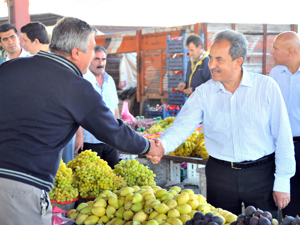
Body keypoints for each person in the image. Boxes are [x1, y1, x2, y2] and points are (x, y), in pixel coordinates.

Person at [0, 17, 164, 225]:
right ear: (77, 53)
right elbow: (113, 131)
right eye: (91, 49)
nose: (93, 55)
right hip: (20, 189)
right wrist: (149, 146)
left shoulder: (9, 69)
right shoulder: (76, 86)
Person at [155, 30, 295, 217]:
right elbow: (182, 126)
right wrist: (161, 146)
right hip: (220, 176)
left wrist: (283, 181)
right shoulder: (204, 93)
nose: (211, 65)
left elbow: (283, 137)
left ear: (238, 62)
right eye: (211, 58)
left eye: (219, 59)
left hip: (262, 175)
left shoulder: (266, 87)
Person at [269, 31, 300, 217]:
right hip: (279, 145)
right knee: (284, 197)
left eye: (275, 48)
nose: (271, 52)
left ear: (291, 51)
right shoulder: (274, 74)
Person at [76, 45, 120, 168]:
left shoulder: (109, 80)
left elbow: (115, 109)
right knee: (92, 179)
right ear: (89, 59)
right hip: (90, 141)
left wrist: (118, 134)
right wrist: (79, 135)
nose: (101, 63)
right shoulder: (82, 81)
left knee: (114, 178)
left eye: (103, 59)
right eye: (96, 59)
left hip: (110, 140)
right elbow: (76, 110)